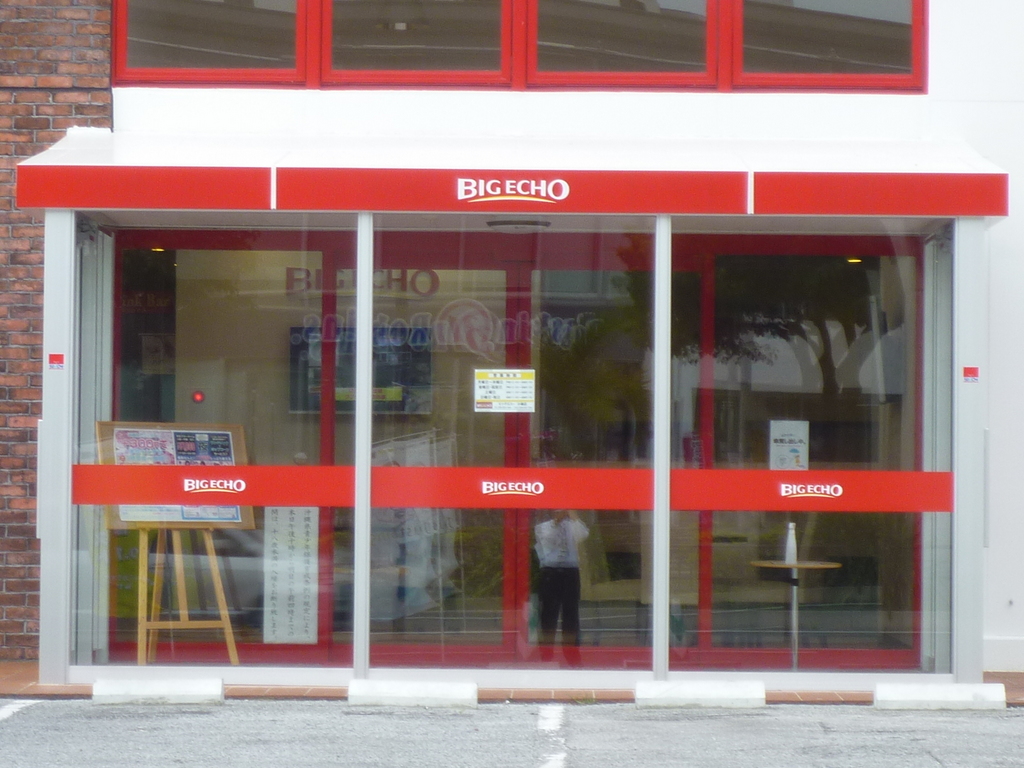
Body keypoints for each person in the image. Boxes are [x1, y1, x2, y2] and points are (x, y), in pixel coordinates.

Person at [534, 509, 589, 663]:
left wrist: (574, 516)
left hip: (570, 572)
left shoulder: (573, 526)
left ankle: (571, 655)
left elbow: (583, 535)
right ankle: (546, 654)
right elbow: (547, 539)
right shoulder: (543, 527)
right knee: (548, 615)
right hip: (550, 572)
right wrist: (556, 522)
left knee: (571, 615)